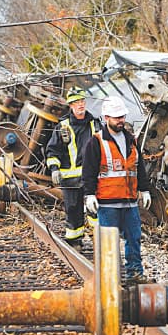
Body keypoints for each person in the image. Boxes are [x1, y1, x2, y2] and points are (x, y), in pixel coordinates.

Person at [82, 96, 152, 284]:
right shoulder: (96, 142)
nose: (120, 120)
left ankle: (135, 274)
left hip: (129, 202)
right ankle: (109, 278)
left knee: (134, 238)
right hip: (107, 202)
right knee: (108, 243)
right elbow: (88, 171)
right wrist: (89, 195)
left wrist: (144, 190)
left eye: (122, 116)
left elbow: (139, 167)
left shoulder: (131, 141)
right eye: (116, 117)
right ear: (106, 118)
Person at [45, 86, 102, 249]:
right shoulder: (63, 127)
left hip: (92, 177)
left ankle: (100, 240)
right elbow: (52, 150)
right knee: (73, 210)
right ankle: (75, 241)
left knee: (96, 209)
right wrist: (55, 169)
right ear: (70, 106)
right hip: (70, 180)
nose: (80, 105)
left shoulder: (94, 123)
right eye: (76, 102)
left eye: (82, 101)